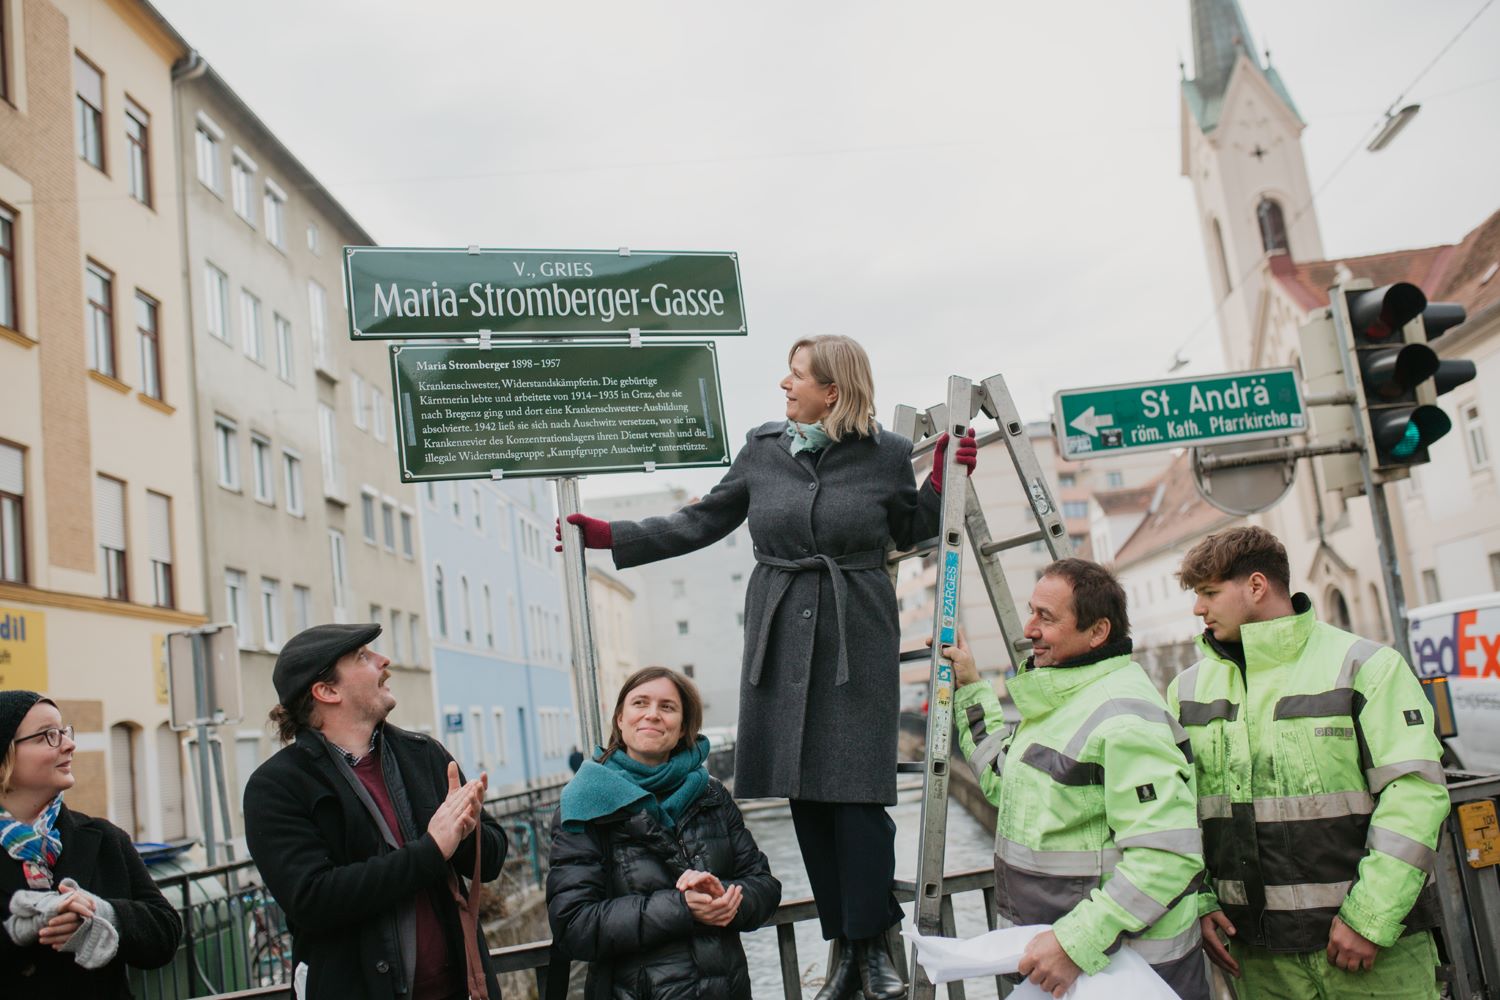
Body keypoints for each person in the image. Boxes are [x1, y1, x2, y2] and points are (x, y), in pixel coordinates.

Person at [557, 335, 974, 1000]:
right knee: (806, 797)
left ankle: (871, 950)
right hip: (781, 631)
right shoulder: (761, 450)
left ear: (832, 390)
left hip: (854, 634)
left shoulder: (887, 456)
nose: (785, 384)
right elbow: (702, 520)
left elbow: (910, 531)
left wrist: (945, 482)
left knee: (861, 801)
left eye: (797, 375)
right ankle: (843, 949)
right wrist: (614, 536)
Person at [1167, 526, 1448, 999]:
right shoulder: (1187, 690)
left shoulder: (1367, 667)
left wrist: (1370, 919)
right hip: (1257, 959)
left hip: (1372, 951)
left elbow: (1415, 797)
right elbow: (1175, 814)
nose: (1199, 608)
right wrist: (1197, 900)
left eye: (1210, 593)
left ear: (1256, 587)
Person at [947, 560, 1208, 999]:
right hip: (1070, 972)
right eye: (1031, 611)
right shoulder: (1064, 702)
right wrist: (973, 689)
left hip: (1129, 977)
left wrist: (1073, 945)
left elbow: (1167, 858)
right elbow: (1003, 780)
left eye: (1045, 617)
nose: (1028, 628)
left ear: (1097, 631)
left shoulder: (1124, 719)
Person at [243, 623, 507, 1000]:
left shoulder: (424, 755)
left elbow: (493, 858)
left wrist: (465, 832)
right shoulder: (277, 787)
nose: (384, 661)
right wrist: (432, 849)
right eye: (363, 657)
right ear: (327, 690)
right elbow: (314, 900)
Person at [546, 667, 780, 1000]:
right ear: (620, 719)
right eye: (640, 703)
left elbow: (765, 885)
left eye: (667, 707)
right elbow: (573, 925)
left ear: (683, 726)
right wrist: (682, 908)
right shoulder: (587, 803)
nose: (652, 715)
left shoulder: (711, 795)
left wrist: (725, 897)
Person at [0, 691, 181, 997]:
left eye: (64, 732)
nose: (69, 745)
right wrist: (20, 931)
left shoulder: (103, 837)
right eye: (48, 736)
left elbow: (165, 934)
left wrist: (101, 913)